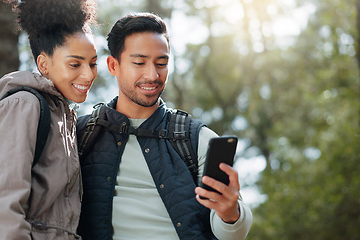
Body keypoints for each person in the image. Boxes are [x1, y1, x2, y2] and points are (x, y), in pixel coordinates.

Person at [76, 12, 252, 240]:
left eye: (162, 63)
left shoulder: (196, 138)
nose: (153, 75)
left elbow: (232, 233)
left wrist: (230, 213)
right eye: (139, 63)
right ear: (113, 65)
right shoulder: (81, 135)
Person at [0, 0, 97, 239]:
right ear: (44, 64)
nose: (88, 75)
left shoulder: (65, 119)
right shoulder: (22, 106)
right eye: (75, 64)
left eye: (93, 63)